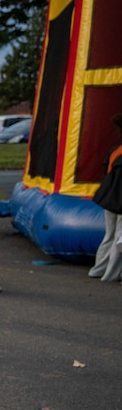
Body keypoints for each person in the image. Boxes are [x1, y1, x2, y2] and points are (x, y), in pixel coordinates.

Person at [88, 113, 122, 283]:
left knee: (109, 235)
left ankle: (98, 269)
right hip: (120, 201)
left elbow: (106, 170)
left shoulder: (115, 151)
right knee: (119, 238)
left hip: (109, 198)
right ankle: (111, 274)